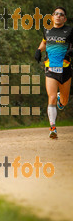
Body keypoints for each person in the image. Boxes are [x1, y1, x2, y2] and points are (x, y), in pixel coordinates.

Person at [35, 7, 73, 139]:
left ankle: (60, 100)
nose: (58, 16)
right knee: (50, 97)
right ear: (52, 17)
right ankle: (53, 128)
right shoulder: (47, 30)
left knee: (64, 101)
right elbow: (44, 42)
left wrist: (71, 51)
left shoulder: (70, 30)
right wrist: (39, 50)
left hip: (65, 69)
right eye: (56, 14)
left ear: (64, 18)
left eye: (61, 14)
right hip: (50, 68)